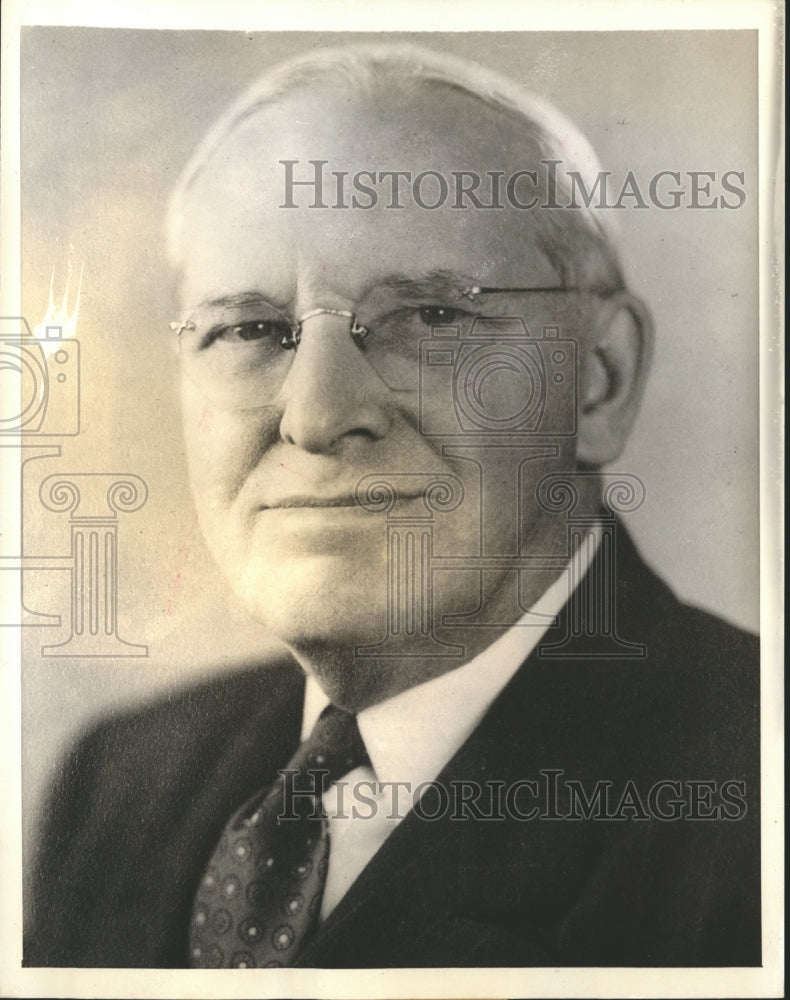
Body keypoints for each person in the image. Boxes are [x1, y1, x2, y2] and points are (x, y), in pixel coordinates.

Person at [24, 43, 760, 969]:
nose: (317, 415)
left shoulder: (752, 794)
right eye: (251, 330)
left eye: (429, 317)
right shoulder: (119, 784)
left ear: (598, 380)